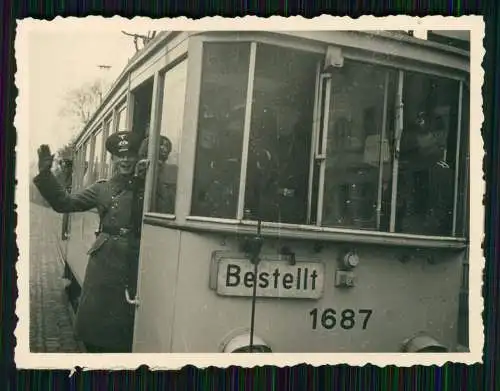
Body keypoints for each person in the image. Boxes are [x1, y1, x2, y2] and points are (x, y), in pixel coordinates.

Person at [33, 131, 147, 353]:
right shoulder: (101, 189)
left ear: (136, 158)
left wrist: (147, 177)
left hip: (137, 256)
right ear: (112, 159)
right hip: (105, 260)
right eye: (119, 156)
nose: (125, 160)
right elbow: (65, 204)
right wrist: (46, 175)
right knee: (100, 321)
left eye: (130, 155)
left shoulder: (145, 186)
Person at [137, 135, 175, 214]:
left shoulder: (170, 174)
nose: (164, 148)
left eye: (166, 146)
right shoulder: (138, 170)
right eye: (161, 144)